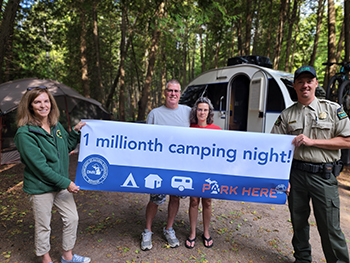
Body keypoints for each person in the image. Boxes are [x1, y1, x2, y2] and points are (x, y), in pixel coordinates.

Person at [271, 66, 350, 263]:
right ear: (295, 86)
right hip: (296, 175)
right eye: (300, 82)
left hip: (323, 176)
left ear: (315, 83)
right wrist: (282, 178)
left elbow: (348, 140)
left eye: (309, 81)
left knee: (330, 227)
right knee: (298, 223)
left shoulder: (332, 110)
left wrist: (313, 142)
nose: (305, 85)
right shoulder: (287, 115)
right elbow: (275, 147)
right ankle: (302, 259)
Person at [14, 86, 90, 263]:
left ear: (51, 103)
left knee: (72, 219)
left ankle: (67, 257)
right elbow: (39, 167)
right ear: (30, 105)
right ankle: (46, 260)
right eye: (37, 102)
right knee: (43, 227)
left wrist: (75, 132)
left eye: (46, 101)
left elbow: (66, 147)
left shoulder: (55, 125)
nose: (43, 105)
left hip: (60, 184)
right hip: (41, 187)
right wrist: (66, 183)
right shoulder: (25, 133)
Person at [141, 79, 191, 251]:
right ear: (165, 92)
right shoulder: (154, 114)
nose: (173, 94)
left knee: (175, 198)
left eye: (176, 91)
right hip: (159, 166)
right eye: (170, 90)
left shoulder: (188, 112)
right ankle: (147, 231)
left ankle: (169, 228)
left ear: (180, 94)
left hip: (179, 166)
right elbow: (146, 141)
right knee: (155, 199)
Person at [185, 97, 221, 249]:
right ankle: (192, 232)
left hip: (210, 172)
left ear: (209, 112)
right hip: (194, 171)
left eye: (205, 110)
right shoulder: (189, 128)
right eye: (200, 109)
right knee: (194, 201)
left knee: (207, 202)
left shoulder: (217, 130)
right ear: (195, 111)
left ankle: (206, 232)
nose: (202, 112)